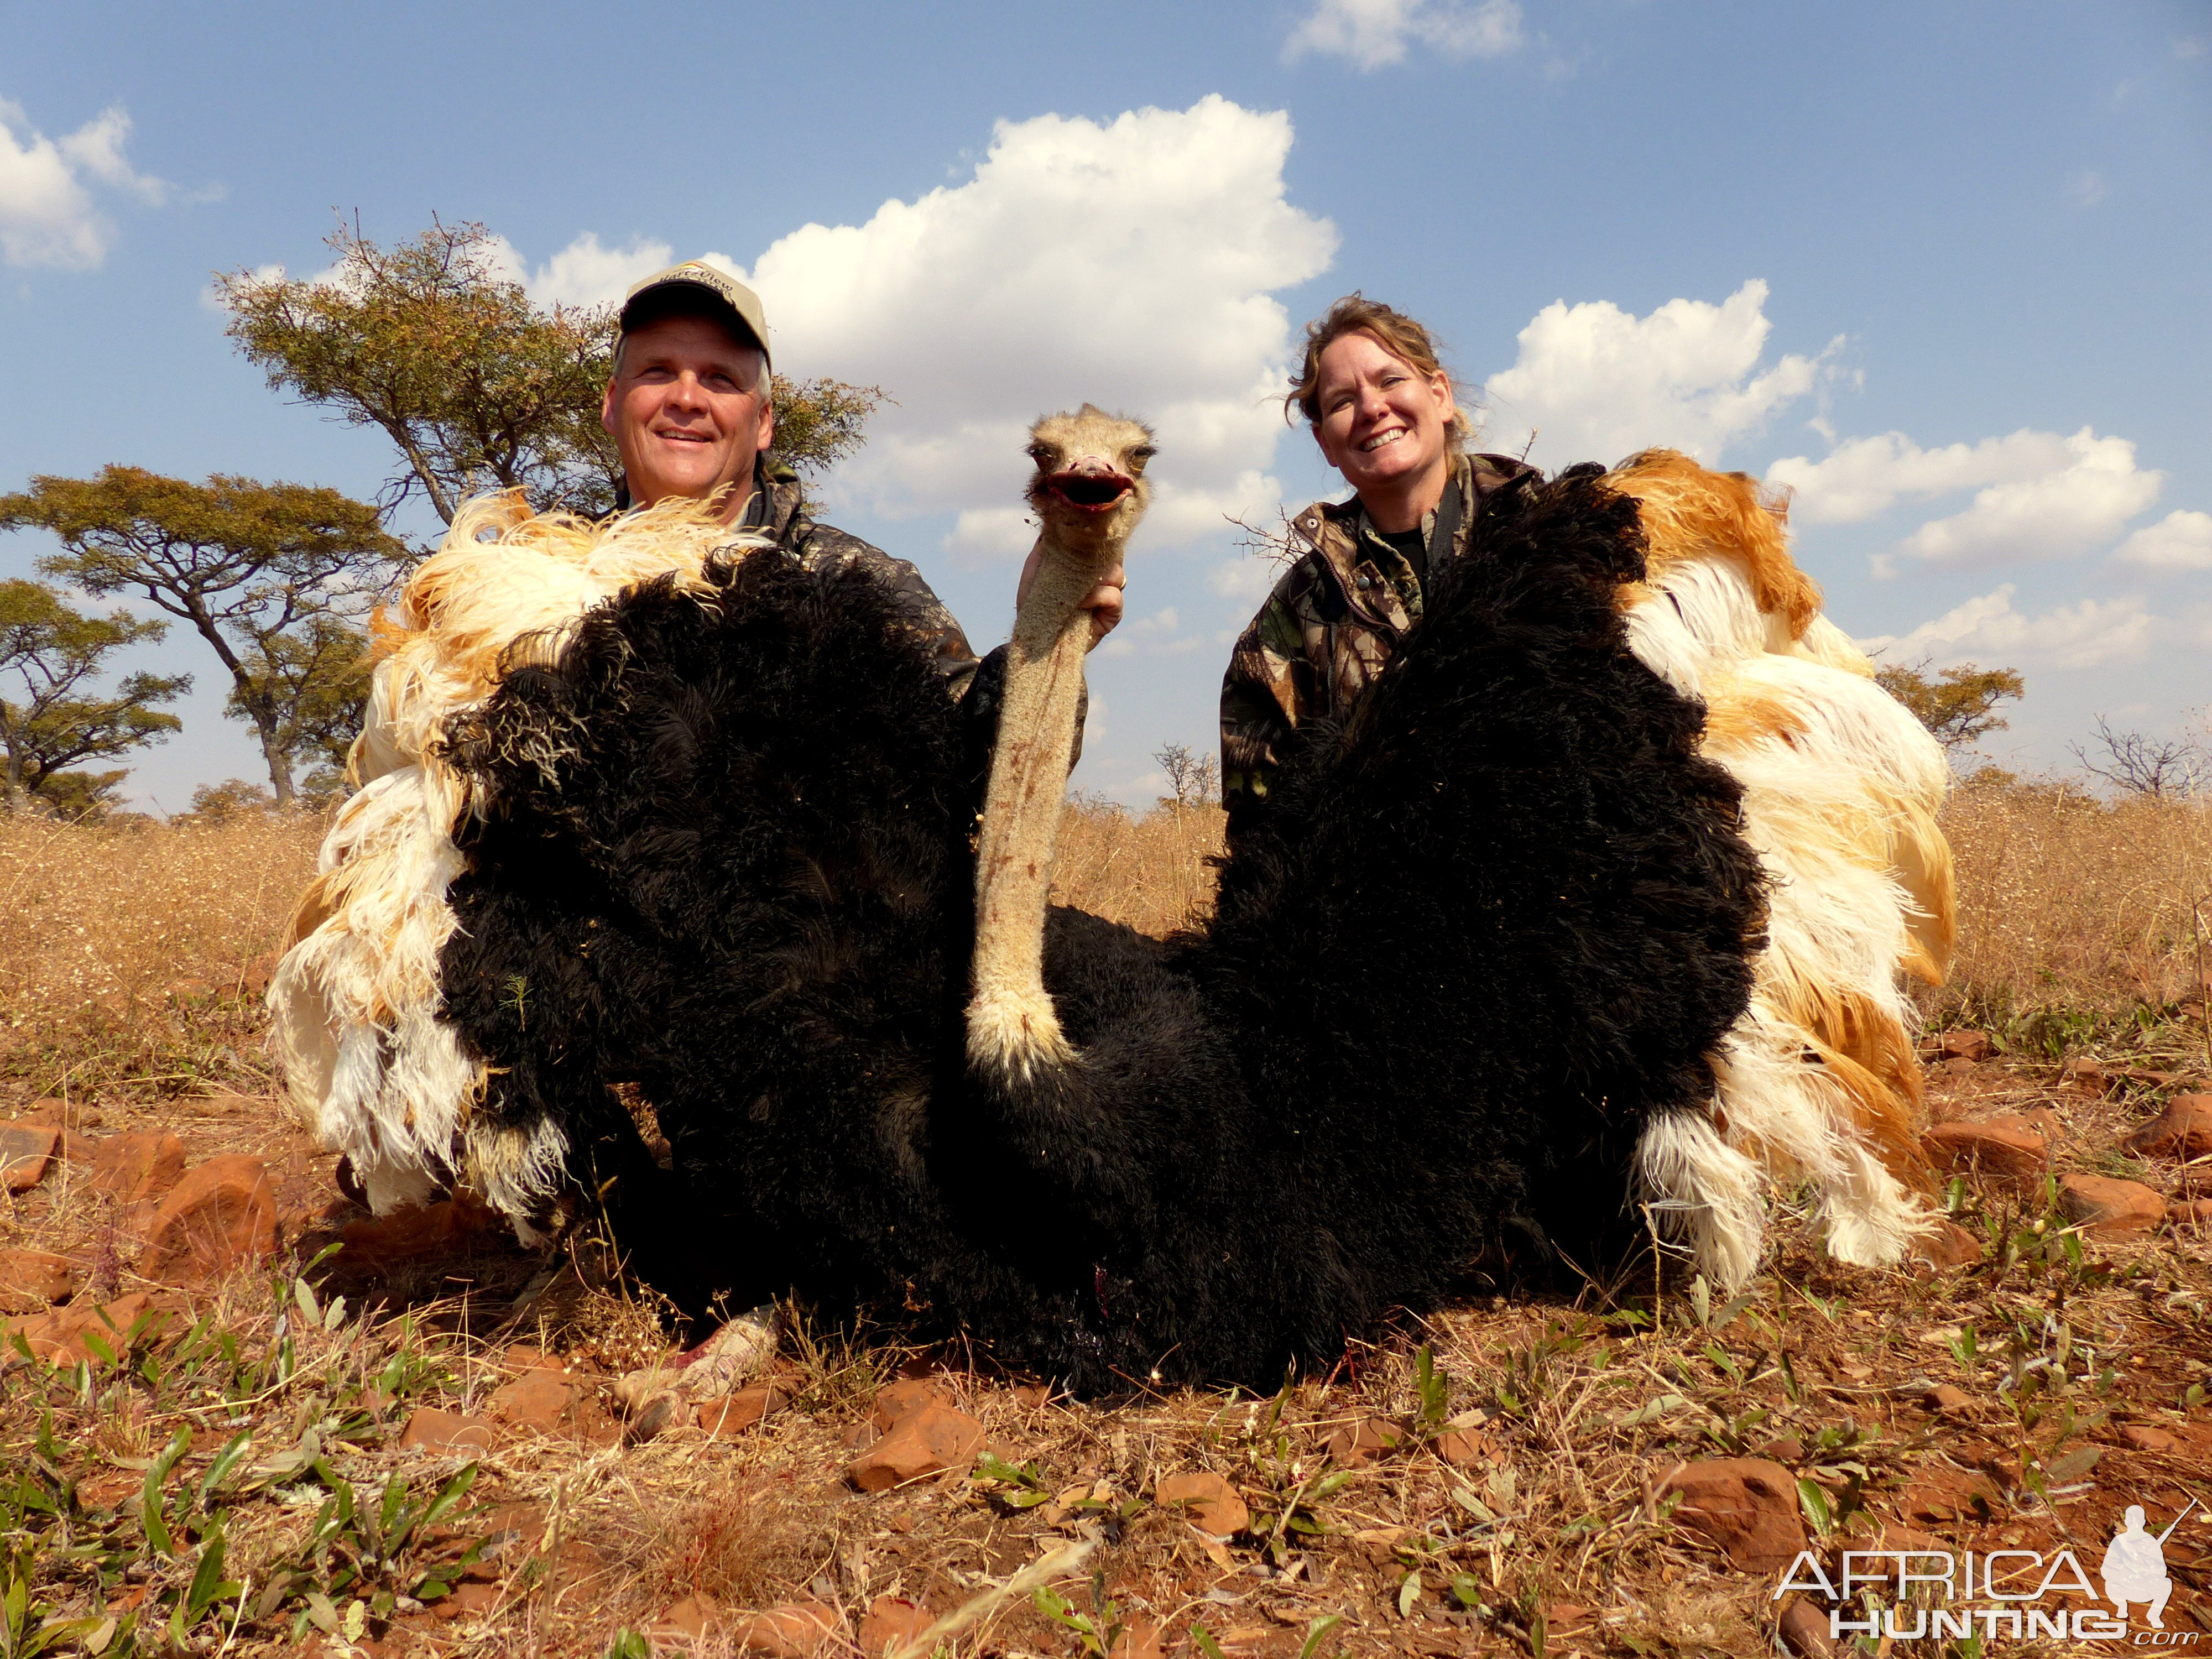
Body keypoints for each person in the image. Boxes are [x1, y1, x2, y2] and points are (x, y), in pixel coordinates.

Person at [602, 259, 1123, 732]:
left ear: (763, 422)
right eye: (658, 371)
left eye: (720, 378)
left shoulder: (861, 585)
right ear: (612, 402)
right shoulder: (536, 580)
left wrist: (1043, 642)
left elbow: (966, 768)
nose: (687, 398)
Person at [1219, 294, 1537, 843]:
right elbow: (1262, 832)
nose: (1371, 409)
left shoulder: (1553, 538)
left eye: (1390, 381)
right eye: (1342, 401)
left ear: (1439, 395)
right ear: (1325, 443)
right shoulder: (1291, 620)